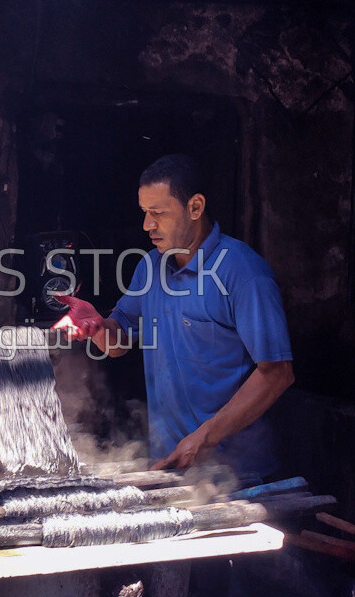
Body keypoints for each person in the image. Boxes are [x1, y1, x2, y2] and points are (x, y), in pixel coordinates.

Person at [53, 153, 294, 478]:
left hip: (239, 476)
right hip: (172, 466)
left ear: (195, 208)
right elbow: (118, 342)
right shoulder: (149, 267)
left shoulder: (243, 273)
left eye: (158, 213)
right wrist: (96, 325)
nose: (147, 225)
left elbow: (277, 373)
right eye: (144, 213)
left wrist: (203, 438)